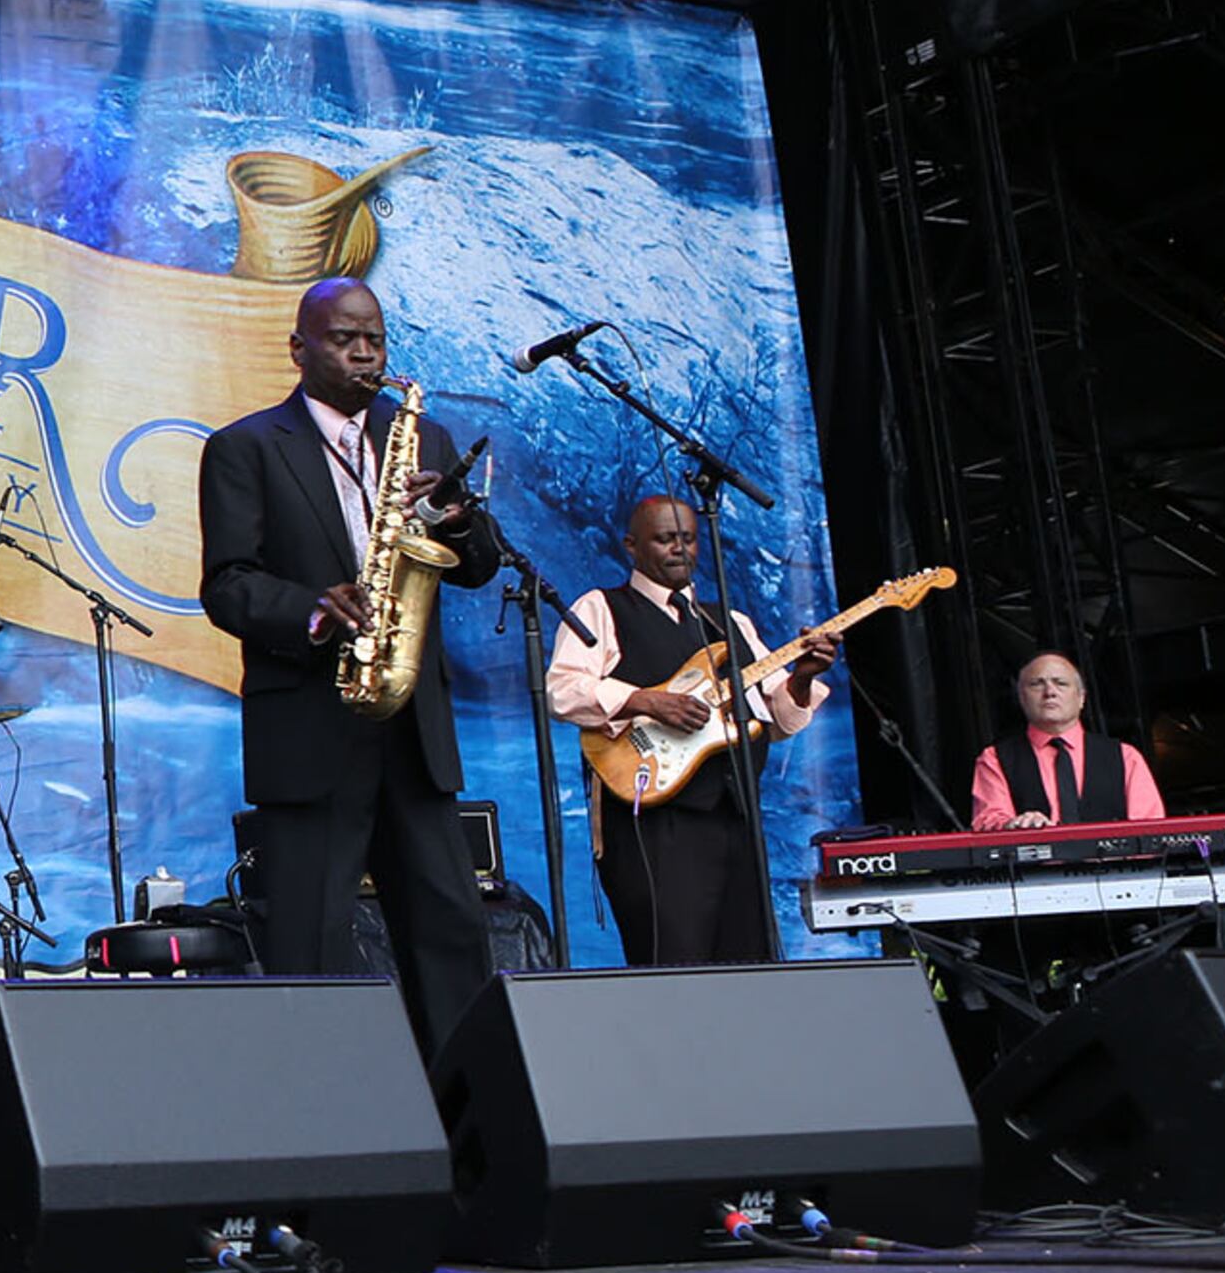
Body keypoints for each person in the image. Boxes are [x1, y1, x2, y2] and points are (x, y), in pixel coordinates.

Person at [196, 278, 503, 1059]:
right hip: (311, 724)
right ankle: (320, 1107)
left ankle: (465, 1109)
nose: (365, 354)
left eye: (375, 339)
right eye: (344, 339)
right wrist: (313, 608)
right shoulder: (245, 447)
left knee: (451, 933)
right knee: (309, 942)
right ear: (299, 349)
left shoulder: (426, 438)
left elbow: (479, 567)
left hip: (410, 724)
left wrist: (457, 519)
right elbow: (227, 586)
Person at [544, 497, 838, 965]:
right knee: (672, 962)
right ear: (631, 546)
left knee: (747, 962)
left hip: (734, 815)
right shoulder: (602, 608)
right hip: (652, 822)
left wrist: (802, 678)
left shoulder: (729, 621)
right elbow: (561, 691)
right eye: (665, 539)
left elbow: (778, 721)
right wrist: (644, 700)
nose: (680, 549)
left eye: (688, 538)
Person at [969, 650, 1165, 830]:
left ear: (1081, 698)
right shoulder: (995, 758)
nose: (1049, 692)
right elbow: (988, 821)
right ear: (1021, 698)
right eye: (1036, 684)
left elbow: (1150, 829)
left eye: (1061, 683)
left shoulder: (1125, 757)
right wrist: (1013, 825)